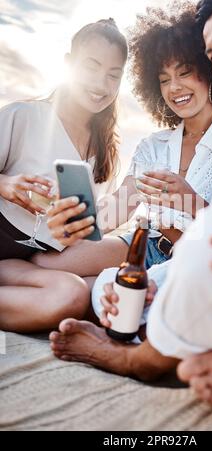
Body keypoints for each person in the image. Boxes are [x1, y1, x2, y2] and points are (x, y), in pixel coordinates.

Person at [50, 0, 212, 414]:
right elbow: (123, 210)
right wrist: (156, 282)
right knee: (113, 288)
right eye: (211, 53)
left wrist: (193, 203)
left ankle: (142, 358)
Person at [40, 1, 212, 285]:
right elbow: (120, 206)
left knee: (87, 292)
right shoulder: (155, 146)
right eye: (164, 80)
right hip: (141, 245)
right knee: (45, 262)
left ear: (209, 68)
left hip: (200, 262)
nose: (174, 87)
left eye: (185, 72)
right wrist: (77, 220)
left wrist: (191, 201)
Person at [0, 19, 128, 332]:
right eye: (91, 67)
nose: (101, 84)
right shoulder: (24, 116)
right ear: (69, 65)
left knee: (87, 289)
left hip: (25, 260)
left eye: (113, 75)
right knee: (74, 293)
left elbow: (87, 228)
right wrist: (5, 184)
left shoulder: (106, 150)